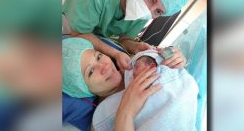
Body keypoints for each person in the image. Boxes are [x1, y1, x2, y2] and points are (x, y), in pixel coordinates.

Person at [63, 0, 192, 73]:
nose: (149, 9)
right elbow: (78, 32)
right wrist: (115, 53)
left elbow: (124, 38)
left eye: (158, 11)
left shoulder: (144, 10)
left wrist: (135, 47)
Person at [63, 37, 195, 130]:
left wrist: (174, 57)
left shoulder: (135, 62)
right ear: (83, 89)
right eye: (91, 72)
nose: (104, 66)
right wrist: (126, 112)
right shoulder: (102, 117)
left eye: (98, 56)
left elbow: (172, 68)